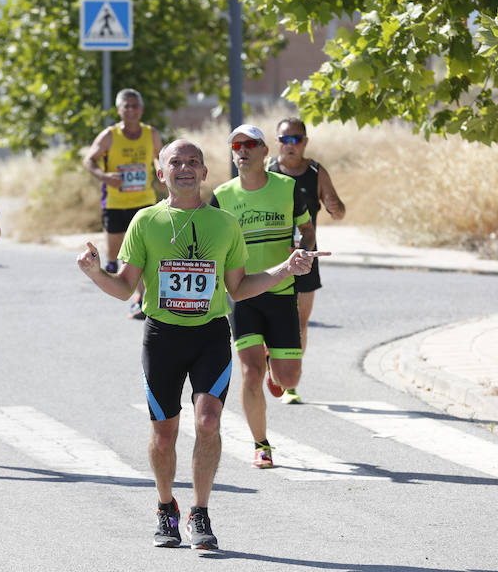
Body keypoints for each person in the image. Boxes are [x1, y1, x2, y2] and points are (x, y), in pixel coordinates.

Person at [77, 139, 326, 550]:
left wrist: (286, 268)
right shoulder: (145, 221)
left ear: (205, 173)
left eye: (193, 161)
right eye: (175, 162)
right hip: (162, 338)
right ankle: (165, 507)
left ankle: (200, 511)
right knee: (164, 435)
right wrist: (93, 272)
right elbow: (124, 288)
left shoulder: (224, 223)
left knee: (208, 421)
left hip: (209, 334)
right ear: (161, 174)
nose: (185, 168)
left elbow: (239, 288)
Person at [210, 124, 316, 468]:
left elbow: (307, 228)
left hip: (281, 291)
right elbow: (209, 241)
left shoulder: (287, 188)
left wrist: (303, 251)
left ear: (264, 151)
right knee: (250, 373)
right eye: (236, 146)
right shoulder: (222, 196)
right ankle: (261, 444)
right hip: (242, 294)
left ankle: (275, 366)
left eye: (250, 144)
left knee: (289, 379)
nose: (242, 150)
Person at [269, 117, 346, 399]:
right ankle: (271, 359)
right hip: (271, 256)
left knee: (300, 322)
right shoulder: (266, 170)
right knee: (269, 318)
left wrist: (335, 207)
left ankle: (290, 382)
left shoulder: (316, 172)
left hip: (305, 256)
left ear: (305, 142)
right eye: (284, 139)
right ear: (277, 142)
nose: (290, 145)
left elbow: (338, 211)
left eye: (296, 139)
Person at [82, 88, 163, 319]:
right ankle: (119, 280)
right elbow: (89, 160)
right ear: (119, 110)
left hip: (144, 202)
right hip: (116, 203)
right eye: (126, 106)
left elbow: (158, 156)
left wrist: (161, 171)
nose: (131, 110)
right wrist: (105, 176)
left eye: (135, 106)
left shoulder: (151, 133)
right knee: (117, 256)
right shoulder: (109, 135)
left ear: (141, 109)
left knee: (142, 254)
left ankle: (141, 299)